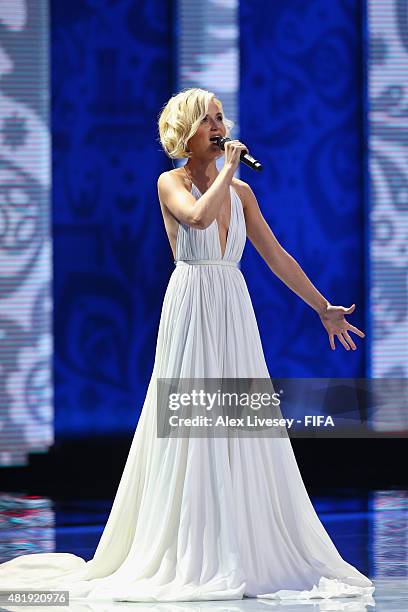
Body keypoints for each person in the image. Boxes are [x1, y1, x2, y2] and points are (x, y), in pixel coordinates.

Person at [0, 88, 375, 604]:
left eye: (222, 118)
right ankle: (185, 549)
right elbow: (197, 218)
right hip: (192, 305)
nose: (221, 127)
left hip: (232, 308)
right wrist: (230, 172)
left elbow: (276, 255)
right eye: (209, 121)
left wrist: (321, 306)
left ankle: (242, 547)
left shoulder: (242, 196)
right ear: (187, 131)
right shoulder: (170, 182)